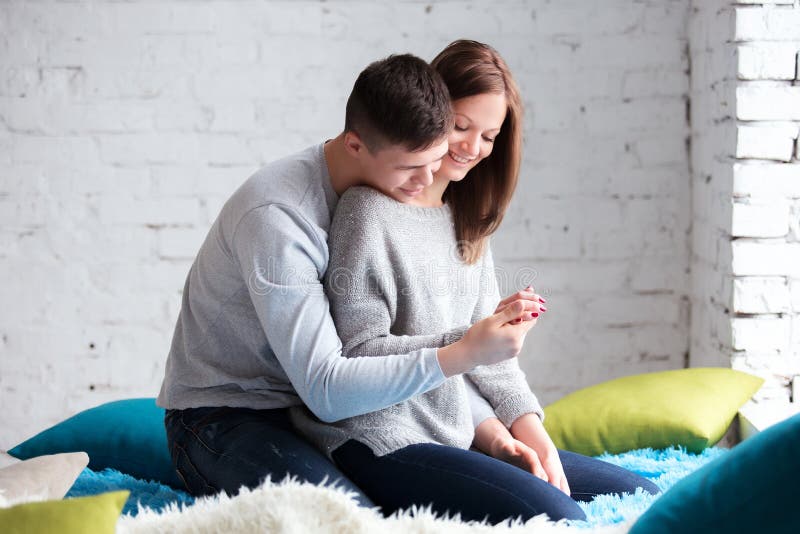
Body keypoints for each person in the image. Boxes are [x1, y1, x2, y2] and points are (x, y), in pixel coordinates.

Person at [290, 40, 661, 524]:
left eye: (489, 136)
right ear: (433, 116)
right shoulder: (368, 213)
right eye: (461, 127)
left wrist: (529, 437)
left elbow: (492, 366)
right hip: (377, 437)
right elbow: (358, 355)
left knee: (644, 493)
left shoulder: (467, 223)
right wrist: (469, 343)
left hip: (457, 429)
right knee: (554, 513)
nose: (472, 148)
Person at [156, 53, 542, 506]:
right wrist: (468, 348)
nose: (430, 177)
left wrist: (493, 427)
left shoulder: (389, 199)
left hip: (316, 414)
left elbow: (401, 352)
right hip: (224, 416)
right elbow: (328, 387)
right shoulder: (279, 218)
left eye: (433, 159)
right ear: (356, 146)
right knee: (345, 516)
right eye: (409, 168)